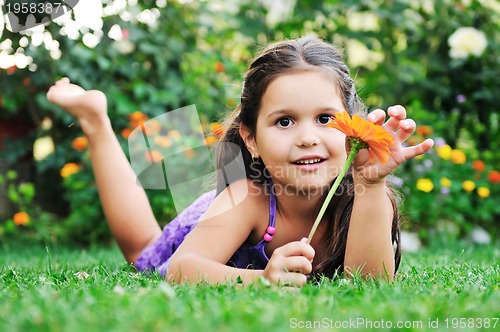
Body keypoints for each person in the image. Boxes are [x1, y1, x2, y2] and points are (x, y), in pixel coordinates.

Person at [46, 36, 433, 286]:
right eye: (284, 121)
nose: (308, 137)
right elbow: (182, 269)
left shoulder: (365, 194)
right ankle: (97, 121)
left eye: (325, 118)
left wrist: (369, 185)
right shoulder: (248, 197)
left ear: (351, 129)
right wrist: (262, 279)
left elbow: (369, 287)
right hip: (201, 228)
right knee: (142, 249)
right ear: (251, 139)